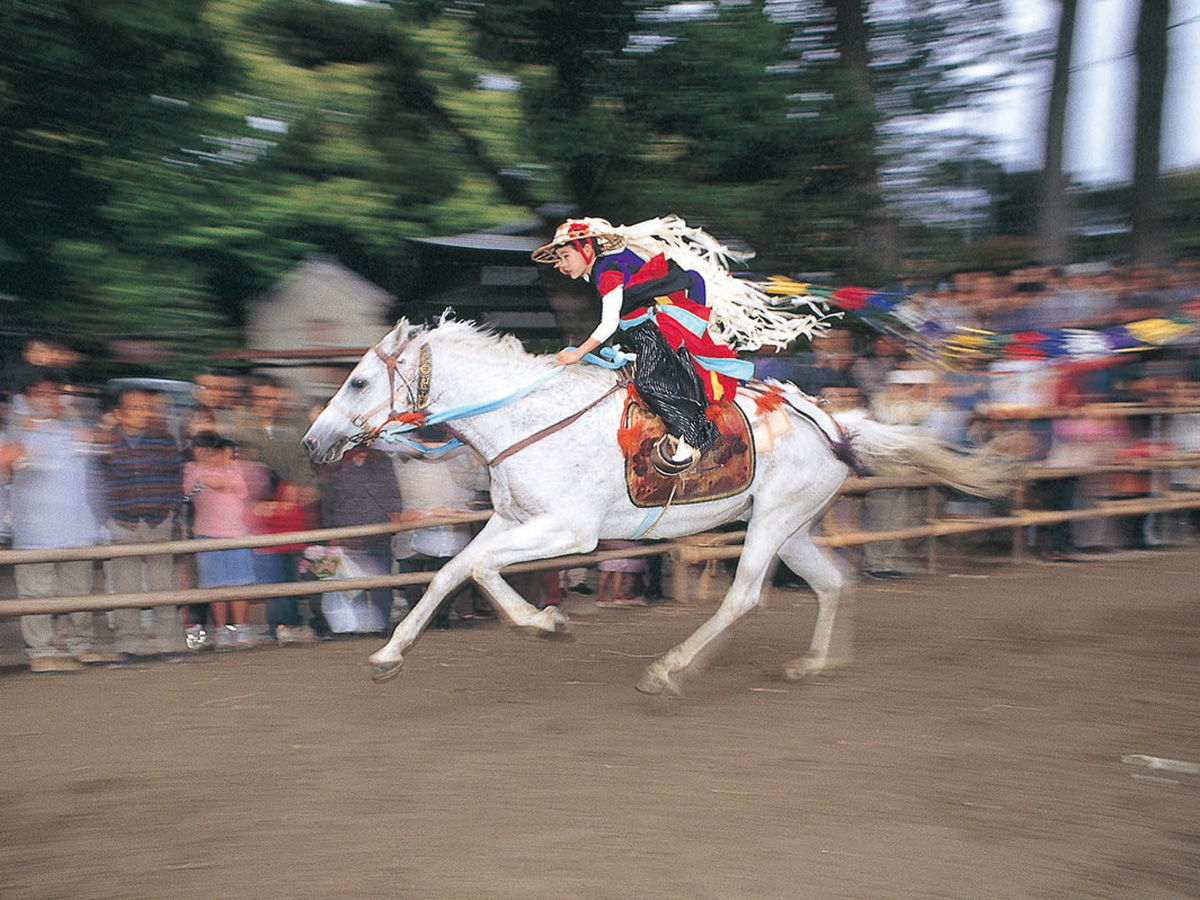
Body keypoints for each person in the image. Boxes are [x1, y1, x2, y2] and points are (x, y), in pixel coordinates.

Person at [532, 217, 764, 476]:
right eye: (559, 259)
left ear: (587, 250)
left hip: (653, 331)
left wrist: (578, 353)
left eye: (565, 256)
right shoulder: (604, 268)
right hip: (636, 332)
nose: (561, 265)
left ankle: (698, 437)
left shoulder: (608, 271)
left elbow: (608, 323)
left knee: (650, 383)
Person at [2, 367, 118, 673]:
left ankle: (81, 645)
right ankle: (41, 650)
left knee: (78, 590)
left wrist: (95, 436)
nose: (49, 399)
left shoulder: (72, 427)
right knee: (36, 593)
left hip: (77, 527)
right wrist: (17, 451)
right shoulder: (15, 430)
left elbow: (105, 450)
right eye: (39, 393)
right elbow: (4, 463)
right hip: (34, 530)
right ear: (25, 398)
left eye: (54, 392)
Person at [97, 386, 187, 659]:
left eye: (146, 408)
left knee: (164, 587)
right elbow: (97, 484)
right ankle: (128, 646)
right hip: (122, 521)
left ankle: (169, 644)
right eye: (135, 408)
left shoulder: (164, 440)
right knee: (125, 589)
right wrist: (105, 516)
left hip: (158, 521)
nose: (143, 413)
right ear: (119, 413)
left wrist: (170, 509)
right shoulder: (106, 441)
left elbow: (175, 479)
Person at [184, 431, 260, 649]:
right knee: (214, 585)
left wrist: (218, 478)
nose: (207, 454)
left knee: (239, 583)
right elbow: (188, 493)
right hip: (206, 534)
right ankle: (221, 630)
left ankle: (241, 629)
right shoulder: (191, 469)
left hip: (237, 533)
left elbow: (242, 490)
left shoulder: (234, 467)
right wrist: (210, 479)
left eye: (211, 450)